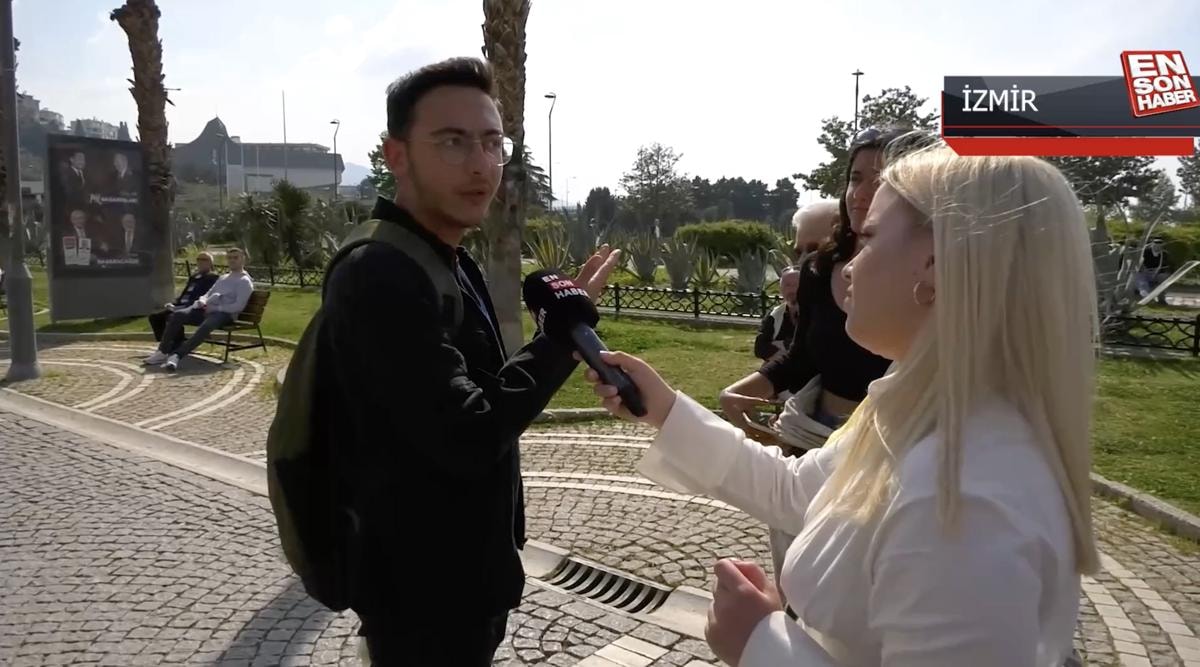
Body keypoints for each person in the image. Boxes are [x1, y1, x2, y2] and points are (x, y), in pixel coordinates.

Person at [585, 143, 1098, 666]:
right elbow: (795, 490)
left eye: (869, 239)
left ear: (937, 266)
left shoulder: (967, 497)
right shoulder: (919, 410)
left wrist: (760, 643)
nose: (848, 266)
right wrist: (664, 408)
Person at [311, 58, 619, 666]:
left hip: (460, 574)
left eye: (492, 143)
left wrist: (554, 333)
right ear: (396, 155)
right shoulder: (380, 272)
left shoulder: (443, 257)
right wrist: (561, 338)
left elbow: (472, 391)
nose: (481, 165)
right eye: (452, 142)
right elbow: (469, 432)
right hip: (423, 592)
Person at [720, 128, 915, 580]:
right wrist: (741, 391)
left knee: (857, 576)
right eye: (856, 178)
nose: (862, 193)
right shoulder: (818, 269)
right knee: (797, 566)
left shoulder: (923, 273)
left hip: (890, 445)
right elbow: (803, 355)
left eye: (881, 179)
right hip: (809, 435)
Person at [143, 248, 254, 372]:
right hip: (207, 309)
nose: (232, 260)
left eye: (235, 258)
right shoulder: (223, 278)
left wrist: (215, 308)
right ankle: (162, 352)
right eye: (229, 258)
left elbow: (238, 306)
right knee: (178, 315)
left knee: (206, 325)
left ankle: (177, 355)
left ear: (243, 259)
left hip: (224, 314)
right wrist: (202, 300)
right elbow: (208, 293)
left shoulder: (244, 281)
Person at [147, 252, 218, 350]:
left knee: (173, 316)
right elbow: (184, 296)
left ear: (210, 263)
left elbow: (203, 297)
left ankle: (178, 343)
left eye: (204, 260)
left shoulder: (212, 278)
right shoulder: (194, 277)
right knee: (155, 318)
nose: (200, 262)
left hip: (195, 309)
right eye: (198, 260)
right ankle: (165, 343)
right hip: (181, 306)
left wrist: (179, 307)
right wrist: (173, 304)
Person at [754, 267, 800, 362]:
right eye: (787, 285)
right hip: (780, 366)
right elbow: (759, 348)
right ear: (781, 289)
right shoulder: (775, 314)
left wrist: (779, 345)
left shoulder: (816, 314)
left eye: (796, 285)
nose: (792, 289)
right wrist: (786, 346)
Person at [1136, 237, 1171, 304]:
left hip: (1156, 274)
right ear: (1152, 244)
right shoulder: (1145, 252)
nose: (1158, 245)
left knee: (1164, 278)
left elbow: (1165, 266)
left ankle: (1161, 299)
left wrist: (1163, 272)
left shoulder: (1164, 254)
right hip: (1143, 273)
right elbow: (1139, 264)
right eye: (1156, 243)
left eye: (1160, 244)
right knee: (1142, 283)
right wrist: (1143, 268)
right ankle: (1147, 299)